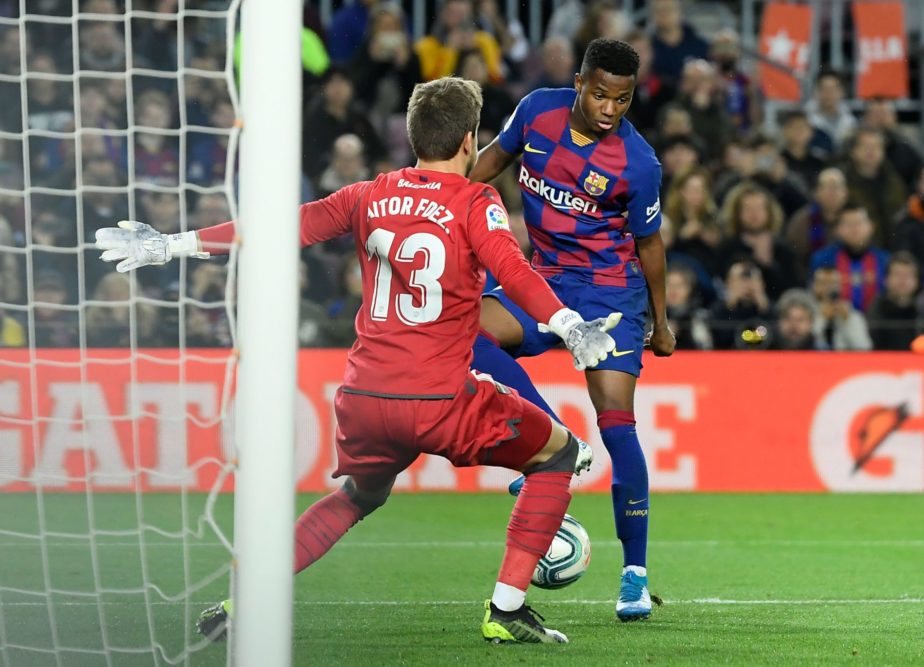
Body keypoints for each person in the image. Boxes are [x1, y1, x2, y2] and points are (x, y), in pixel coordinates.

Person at [95, 77, 621, 644]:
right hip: (440, 397)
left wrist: (168, 245)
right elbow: (513, 270)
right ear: (470, 140)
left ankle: (241, 602)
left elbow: (278, 231)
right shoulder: (476, 201)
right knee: (558, 452)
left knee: (358, 496)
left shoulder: (367, 194)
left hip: (364, 398)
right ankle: (507, 610)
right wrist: (569, 323)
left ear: (412, 137)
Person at [466, 39, 675, 621]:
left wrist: (661, 322)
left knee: (619, 423)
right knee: (467, 333)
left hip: (611, 295)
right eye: (602, 94)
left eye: (624, 99)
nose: (611, 109)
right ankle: (555, 441)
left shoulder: (639, 164)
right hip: (545, 279)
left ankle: (634, 574)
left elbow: (650, 244)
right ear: (580, 81)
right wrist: (441, 199)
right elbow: (490, 162)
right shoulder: (537, 110)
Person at [809, 203, 889, 313]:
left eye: (859, 223)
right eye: (848, 224)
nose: (854, 229)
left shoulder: (885, 261)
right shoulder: (822, 259)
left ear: (871, 227)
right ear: (837, 229)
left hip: (878, 325)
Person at [867, 251, 924, 351]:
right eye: (897, 274)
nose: (903, 280)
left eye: (908, 275)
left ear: (917, 281)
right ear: (886, 280)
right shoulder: (875, 308)